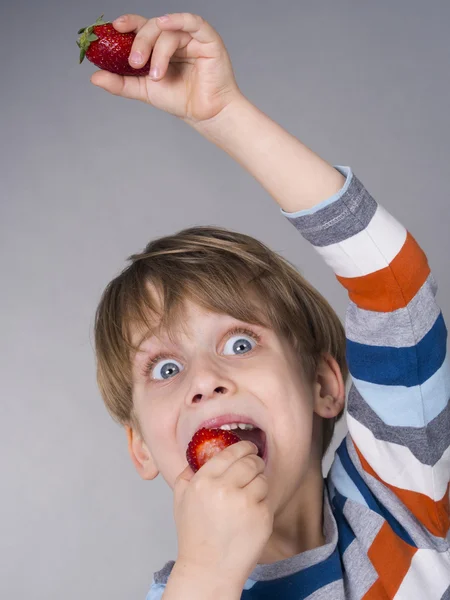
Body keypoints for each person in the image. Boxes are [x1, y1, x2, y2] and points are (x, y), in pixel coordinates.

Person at [90, 12, 450, 600]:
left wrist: (223, 114)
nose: (204, 381)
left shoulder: (400, 495)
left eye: (239, 343)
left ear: (324, 386)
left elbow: (392, 281)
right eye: (166, 368)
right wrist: (206, 577)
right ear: (141, 447)